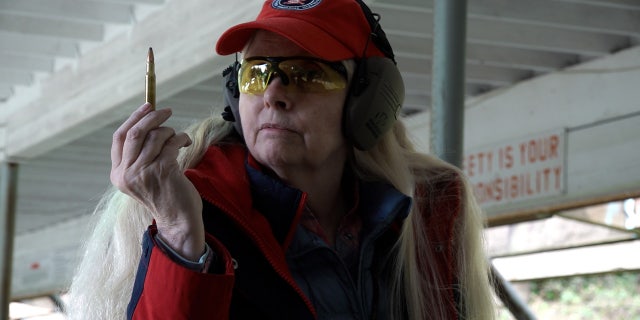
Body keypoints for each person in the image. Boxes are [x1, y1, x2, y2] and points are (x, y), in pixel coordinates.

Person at [67, 0, 496, 319]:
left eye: (308, 73)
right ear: (236, 94)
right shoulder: (184, 210)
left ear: (367, 100)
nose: (273, 93)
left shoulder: (428, 212)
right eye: (256, 72)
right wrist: (180, 237)